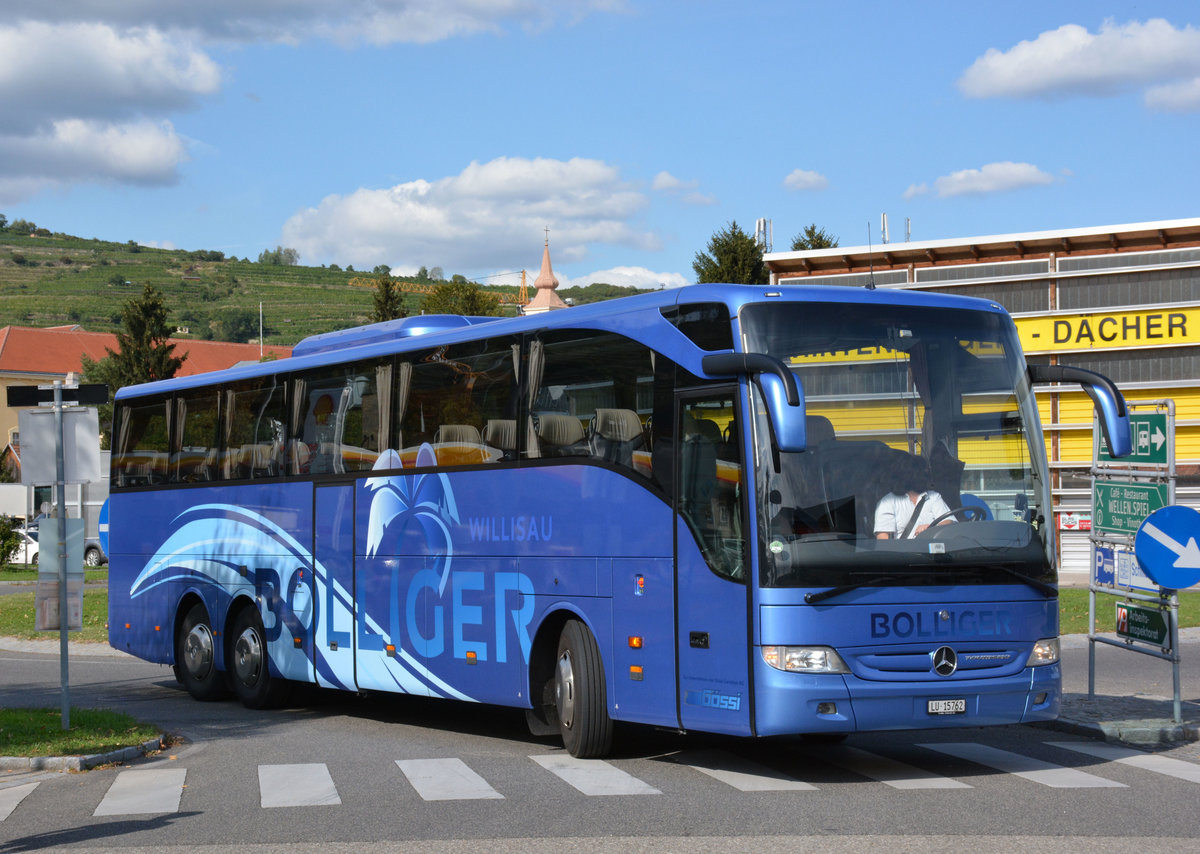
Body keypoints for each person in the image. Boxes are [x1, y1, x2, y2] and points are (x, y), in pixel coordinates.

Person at [874, 452, 953, 539]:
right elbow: (883, 539)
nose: (928, 475)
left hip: (933, 548)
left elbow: (948, 521)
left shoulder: (934, 497)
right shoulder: (887, 502)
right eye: (924, 472)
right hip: (903, 551)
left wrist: (932, 528)